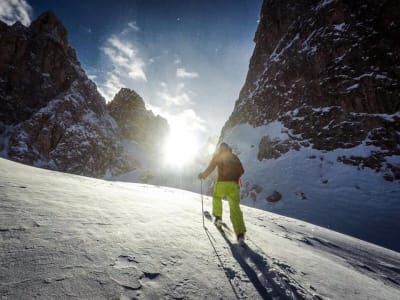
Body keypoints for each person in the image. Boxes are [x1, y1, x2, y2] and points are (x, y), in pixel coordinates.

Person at [198, 142, 246, 244]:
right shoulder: (234, 157)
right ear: (229, 148)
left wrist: (203, 175)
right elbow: (242, 171)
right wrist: (235, 175)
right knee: (235, 208)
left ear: (220, 149)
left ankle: (218, 217)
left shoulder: (218, 156)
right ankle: (240, 233)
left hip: (222, 183)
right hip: (233, 185)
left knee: (217, 197)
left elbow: (211, 167)